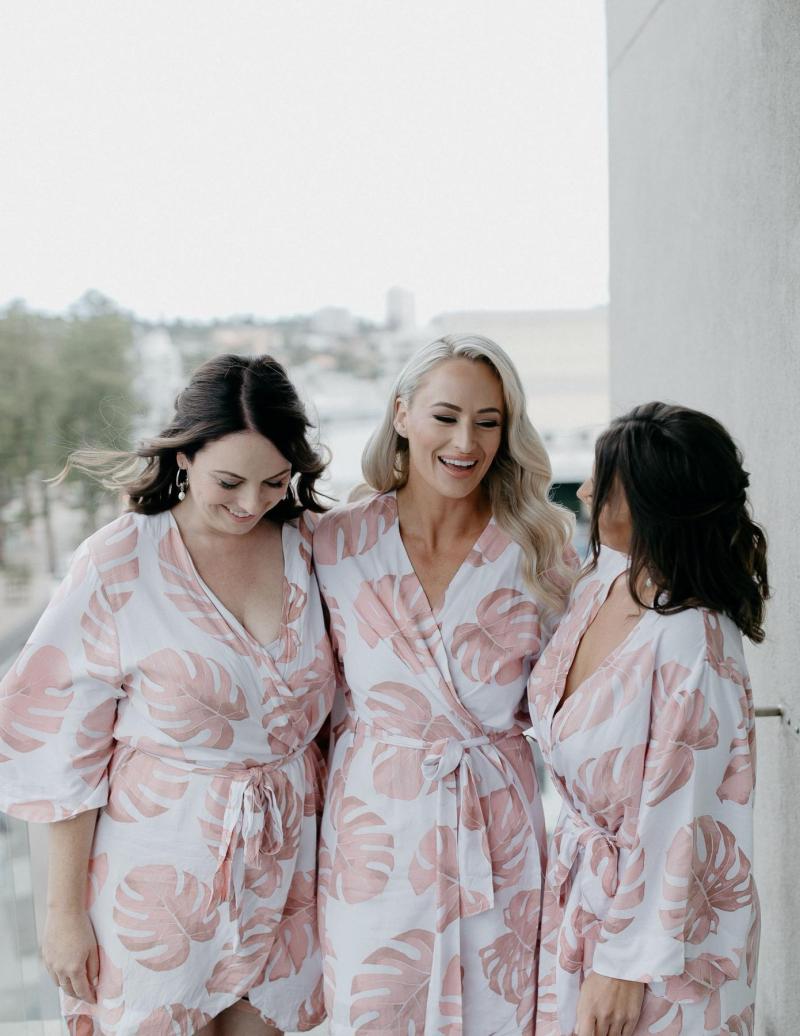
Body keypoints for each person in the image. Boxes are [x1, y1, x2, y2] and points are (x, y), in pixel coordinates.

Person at [0, 354, 336, 1035]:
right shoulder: (120, 560)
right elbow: (62, 749)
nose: (251, 503)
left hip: (291, 867)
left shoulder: (313, 549)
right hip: (156, 872)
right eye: (229, 481)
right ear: (184, 458)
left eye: (275, 481)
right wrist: (62, 914)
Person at [312, 334, 577, 1034]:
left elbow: (578, 708)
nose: (466, 442)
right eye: (446, 416)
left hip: (499, 834)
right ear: (402, 415)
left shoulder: (541, 548)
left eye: (489, 422)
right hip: (373, 833)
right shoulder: (334, 543)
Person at [527, 402, 767, 1036]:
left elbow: (684, 816)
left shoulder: (694, 640)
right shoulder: (602, 581)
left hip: (661, 946)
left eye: (603, 483)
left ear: (652, 503)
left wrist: (623, 967)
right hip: (586, 902)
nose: (582, 491)